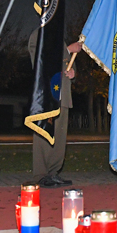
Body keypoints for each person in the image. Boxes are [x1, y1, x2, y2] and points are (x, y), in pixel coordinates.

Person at [29, 32, 82, 188]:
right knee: (44, 136)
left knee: (59, 138)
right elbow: (39, 59)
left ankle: (53, 172)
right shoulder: (39, 34)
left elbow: (67, 64)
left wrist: (73, 74)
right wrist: (67, 49)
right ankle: (41, 174)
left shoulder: (59, 36)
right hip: (46, 96)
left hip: (63, 95)